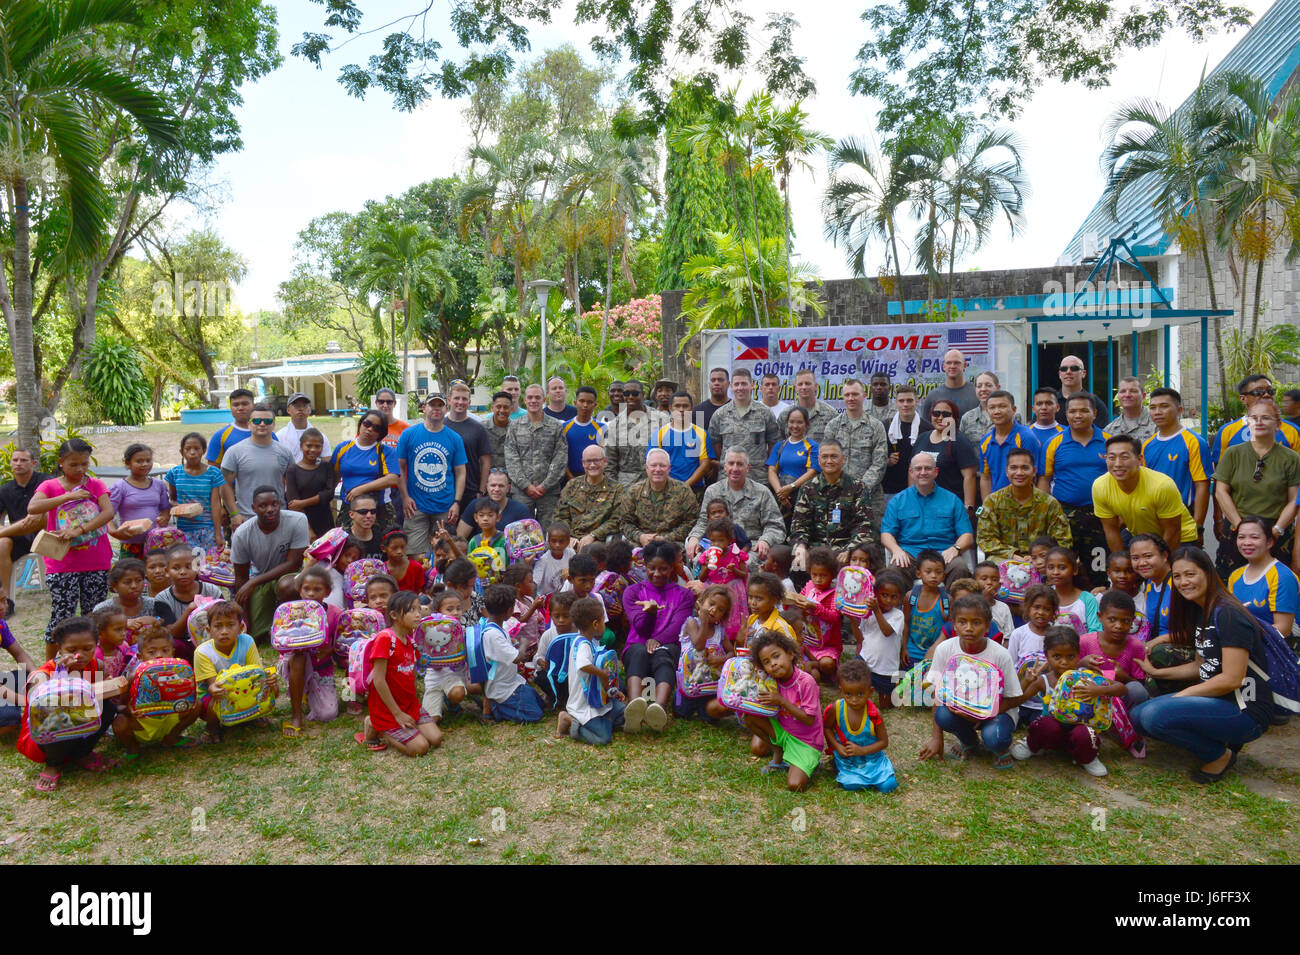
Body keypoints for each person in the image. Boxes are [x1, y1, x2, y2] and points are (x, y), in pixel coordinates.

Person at [1132, 546, 1275, 782]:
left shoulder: (1228, 614)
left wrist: (1183, 695)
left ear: (1207, 574)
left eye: (1190, 574)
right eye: (1177, 576)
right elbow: (1201, 665)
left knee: (1153, 716)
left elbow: (1232, 678)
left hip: (1246, 710)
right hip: (1217, 701)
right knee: (1138, 716)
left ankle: (1220, 754)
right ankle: (1218, 737)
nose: (1183, 582)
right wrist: (1157, 672)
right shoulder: (1202, 611)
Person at [918, 594, 1028, 769]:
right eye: (962, 622)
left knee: (994, 736)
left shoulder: (1000, 654)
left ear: (987, 626)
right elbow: (937, 693)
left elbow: (1014, 697)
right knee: (943, 715)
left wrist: (985, 714)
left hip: (998, 711)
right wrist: (936, 737)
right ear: (954, 624)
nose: (969, 628)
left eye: (976, 622)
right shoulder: (945, 649)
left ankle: (999, 748)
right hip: (961, 709)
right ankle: (969, 741)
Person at [30, 439, 115, 655]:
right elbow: (33, 507)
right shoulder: (49, 486)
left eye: (84, 464)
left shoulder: (95, 485)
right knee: (61, 616)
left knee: (95, 615)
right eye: (73, 464)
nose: (80, 469)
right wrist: (68, 496)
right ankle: (49, 668)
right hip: (61, 562)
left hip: (96, 560)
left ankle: (94, 664)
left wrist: (80, 530)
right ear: (61, 462)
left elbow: (108, 513)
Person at [17, 616, 119, 791]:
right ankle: (53, 764)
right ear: (59, 648)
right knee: (59, 716)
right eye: (71, 649)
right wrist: (62, 677)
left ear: (97, 645)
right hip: (44, 732)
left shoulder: (96, 665)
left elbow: (100, 695)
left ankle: (81, 754)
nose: (80, 655)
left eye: (88, 648)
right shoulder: (45, 673)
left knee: (108, 707)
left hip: (79, 723)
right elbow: (40, 705)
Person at [1011, 626, 1120, 776]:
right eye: (1057, 657)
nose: (1064, 662)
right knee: (1045, 724)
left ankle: (1087, 758)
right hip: (1053, 731)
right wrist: (1027, 681)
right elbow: (1019, 700)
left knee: (1087, 733)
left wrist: (1100, 690)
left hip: (1079, 730)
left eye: (1070, 656)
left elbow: (1121, 688)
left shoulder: (1086, 676)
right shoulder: (1044, 681)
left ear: (1078, 655)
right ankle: (1032, 745)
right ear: (1047, 656)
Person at [1212, 397, 1300, 576]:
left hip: (1275, 532)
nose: (1259, 422)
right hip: (1238, 529)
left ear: (1278, 424)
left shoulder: (1291, 458)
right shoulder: (1233, 453)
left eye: (1266, 418)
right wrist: (1241, 528)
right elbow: (1221, 491)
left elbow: (1294, 500)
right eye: (1253, 418)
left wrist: (1276, 530)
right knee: (1230, 585)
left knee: (1274, 584)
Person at [1040, 394, 1111, 587]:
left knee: (1099, 570)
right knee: (1063, 568)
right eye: (1072, 411)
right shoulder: (1054, 443)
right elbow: (1044, 479)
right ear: (1066, 414)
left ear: (1094, 413)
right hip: (1065, 516)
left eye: (1084, 410)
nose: (1077, 415)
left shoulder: (1108, 442)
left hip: (1100, 517)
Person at [622, 540, 694, 731]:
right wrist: (651, 614)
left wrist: (659, 640)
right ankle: (634, 707)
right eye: (651, 568)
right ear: (644, 566)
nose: (657, 574)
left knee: (666, 654)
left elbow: (679, 625)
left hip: (667, 644)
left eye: (663, 569)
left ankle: (658, 710)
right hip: (637, 644)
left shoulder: (684, 595)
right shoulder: (633, 592)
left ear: (672, 568)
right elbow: (641, 629)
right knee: (638, 652)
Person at [360, 590, 442, 755]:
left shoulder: (410, 640)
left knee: (436, 739)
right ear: (394, 615)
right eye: (412, 610)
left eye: (419, 609)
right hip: (388, 710)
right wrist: (397, 714)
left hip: (409, 705)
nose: (418, 615)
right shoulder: (385, 639)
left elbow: (409, 675)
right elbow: (379, 680)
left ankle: (406, 728)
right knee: (420, 748)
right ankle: (378, 728)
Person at [744, 628, 824, 791]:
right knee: (749, 717)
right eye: (766, 662)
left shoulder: (806, 682)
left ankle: (811, 761)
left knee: (795, 785)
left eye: (776, 656)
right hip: (783, 731)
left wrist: (781, 701)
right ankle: (779, 753)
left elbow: (809, 719)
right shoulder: (771, 681)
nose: (773, 663)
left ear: (790, 654)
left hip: (806, 741)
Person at [1094, 434, 1197, 554]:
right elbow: (1110, 529)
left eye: (1124, 457)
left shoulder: (1162, 486)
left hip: (1181, 537)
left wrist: (1160, 564)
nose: (1117, 464)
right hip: (1141, 536)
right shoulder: (1100, 486)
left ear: (1139, 459)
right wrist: (1121, 563)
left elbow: (1173, 532)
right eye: (1111, 458)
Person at [230, 486, 309, 642]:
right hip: (262, 578)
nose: (270, 509)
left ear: (280, 504)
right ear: (253, 508)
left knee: (288, 586)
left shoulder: (298, 520)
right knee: (257, 635)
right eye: (263, 506)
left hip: (290, 575)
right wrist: (246, 625)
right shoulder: (242, 534)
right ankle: (269, 624)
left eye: (274, 504)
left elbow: (294, 563)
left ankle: (291, 630)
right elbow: (241, 578)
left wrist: (253, 582)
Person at [396, 392, 468, 558]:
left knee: (444, 555)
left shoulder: (454, 438)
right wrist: (405, 497)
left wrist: (457, 502)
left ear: (446, 408)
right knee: (417, 557)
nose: (436, 409)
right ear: (424, 408)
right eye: (432, 405)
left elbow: (460, 472)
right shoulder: (408, 434)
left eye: (440, 405)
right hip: (416, 506)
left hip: (445, 505)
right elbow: (399, 467)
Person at [113, 624, 202, 756]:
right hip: (143, 723)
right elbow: (119, 706)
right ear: (140, 656)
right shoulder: (133, 677)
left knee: (197, 704)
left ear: (173, 652)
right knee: (120, 723)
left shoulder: (180, 672)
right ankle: (133, 747)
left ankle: (172, 737)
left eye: (165, 650)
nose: (159, 656)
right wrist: (130, 711)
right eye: (151, 652)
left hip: (169, 719)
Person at [880, 453, 974, 575]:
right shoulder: (898, 501)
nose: (923, 472)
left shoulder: (952, 500)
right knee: (894, 571)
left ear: (936, 472)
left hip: (944, 554)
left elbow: (967, 535)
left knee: (959, 568)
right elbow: (886, 534)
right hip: (910, 555)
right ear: (911, 472)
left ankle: (951, 595)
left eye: (928, 468)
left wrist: (955, 549)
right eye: (918, 468)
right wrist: (896, 550)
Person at [789, 439, 875, 568]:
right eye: (825, 457)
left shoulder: (858, 487)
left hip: (845, 549)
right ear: (818, 460)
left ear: (843, 459)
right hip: (815, 549)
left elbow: (864, 526)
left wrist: (850, 550)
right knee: (796, 563)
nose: (829, 461)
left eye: (834, 456)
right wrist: (801, 546)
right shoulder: (808, 488)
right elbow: (799, 526)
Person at [685, 450, 785, 562]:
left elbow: (776, 526)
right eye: (731, 463)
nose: (735, 468)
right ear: (725, 467)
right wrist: (694, 538)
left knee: (744, 564)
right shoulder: (712, 491)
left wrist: (766, 540)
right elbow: (703, 522)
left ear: (747, 468)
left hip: (750, 546)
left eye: (740, 464)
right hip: (717, 544)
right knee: (699, 560)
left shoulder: (762, 492)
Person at [192, 600, 269, 743]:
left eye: (230, 625)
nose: (224, 631)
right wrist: (215, 689)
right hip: (214, 692)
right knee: (217, 697)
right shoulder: (202, 652)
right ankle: (212, 727)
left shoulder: (247, 641)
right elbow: (214, 685)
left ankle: (251, 715)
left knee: (270, 684)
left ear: (240, 628)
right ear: (209, 630)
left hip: (243, 686)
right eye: (218, 626)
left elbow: (256, 673)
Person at [976, 447, 1072, 561]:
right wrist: (1014, 556)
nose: (1019, 473)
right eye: (1014, 468)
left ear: (1034, 471)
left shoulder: (1049, 503)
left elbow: (1063, 540)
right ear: (1007, 471)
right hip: (1005, 559)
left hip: (1041, 561)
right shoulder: (992, 501)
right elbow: (986, 539)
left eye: (1025, 468)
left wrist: (1039, 557)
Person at [557, 596, 627, 744]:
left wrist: (613, 691)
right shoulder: (583, 645)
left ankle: (605, 722)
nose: (605, 625)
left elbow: (598, 679)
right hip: (584, 705)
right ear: (595, 624)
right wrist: (602, 673)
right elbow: (583, 665)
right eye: (603, 621)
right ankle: (569, 720)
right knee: (603, 738)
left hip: (597, 699)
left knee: (623, 712)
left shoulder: (589, 642)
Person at [1143, 387, 1211, 539]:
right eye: (1153, 408)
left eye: (1164, 406)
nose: (1157, 412)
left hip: (1183, 518)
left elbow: (1202, 485)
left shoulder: (1194, 442)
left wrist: (1198, 526)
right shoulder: (1147, 445)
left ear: (1179, 410)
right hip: (1153, 518)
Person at [824, 658, 898, 792]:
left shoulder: (874, 714)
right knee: (851, 785)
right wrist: (837, 747)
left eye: (860, 694)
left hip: (872, 759)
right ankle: (839, 766)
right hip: (849, 760)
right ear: (842, 690)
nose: (854, 700)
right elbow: (827, 728)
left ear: (870, 691)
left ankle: (874, 776)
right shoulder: (837, 708)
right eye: (848, 694)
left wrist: (862, 750)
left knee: (889, 785)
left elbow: (884, 742)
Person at [822, 378, 888, 527]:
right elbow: (827, 461)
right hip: (838, 494)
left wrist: (859, 489)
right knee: (837, 538)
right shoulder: (833, 426)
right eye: (847, 395)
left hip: (870, 497)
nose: (851, 398)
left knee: (871, 544)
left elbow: (880, 463)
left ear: (864, 396)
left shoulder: (876, 426)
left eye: (855, 394)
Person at [221, 405, 295, 531]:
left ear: (273, 425)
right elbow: (224, 484)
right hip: (246, 519)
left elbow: (292, 483)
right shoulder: (234, 452)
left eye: (267, 421)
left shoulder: (285, 452)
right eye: (256, 421)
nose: (262, 424)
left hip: (278, 518)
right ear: (249, 424)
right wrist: (234, 514)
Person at [505, 383, 568, 527]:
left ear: (544, 399)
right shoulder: (514, 426)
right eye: (530, 397)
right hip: (521, 492)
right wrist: (526, 485)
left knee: (549, 533)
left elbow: (560, 459)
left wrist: (544, 486)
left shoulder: (555, 426)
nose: (533, 401)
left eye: (537, 397)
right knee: (521, 533)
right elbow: (511, 459)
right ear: (525, 400)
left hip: (549, 492)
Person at [481, 583, 545, 723]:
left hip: (512, 681)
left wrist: (514, 643)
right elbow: (517, 658)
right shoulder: (493, 634)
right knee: (535, 715)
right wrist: (523, 644)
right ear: (509, 610)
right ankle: (495, 706)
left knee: (541, 705)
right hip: (502, 688)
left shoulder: (495, 626)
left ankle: (497, 703)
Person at [707, 369, 779, 487]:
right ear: (731, 386)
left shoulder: (765, 413)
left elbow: (773, 444)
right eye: (736, 384)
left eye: (744, 384)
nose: (740, 388)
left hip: (758, 477)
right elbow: (715, 445)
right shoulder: (720, 414)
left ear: (752, 385)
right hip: (728, 477)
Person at [1211, 374, 1300, 468]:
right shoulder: (1227, 431)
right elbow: (1220, 471)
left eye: (1270, 391)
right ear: (1243, 399)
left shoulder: (1292, 430)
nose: (1266, 395)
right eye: (1259, 392)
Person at [331, 410, 399, 533]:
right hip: (350, 507)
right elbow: (333, 477)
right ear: (361, 424)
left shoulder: (386, 451)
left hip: (379, 508)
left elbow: (393, 478)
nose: (369, 429)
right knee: (348, 547)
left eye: (376, 428)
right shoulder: (342, 448)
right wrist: (329, 499)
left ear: (381, 433)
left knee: (381, 547)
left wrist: (361, 489)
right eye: (367, 424)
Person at [1227, 516, 1298, 635]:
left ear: (1270, 542)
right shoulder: (1235, 576)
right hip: (1242, 645)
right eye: (1241, 537)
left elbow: (1283, 629)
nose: (1247, 543)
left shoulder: (1282, 576)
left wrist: (1242, 636)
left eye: (1254, 537)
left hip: (1275, 648)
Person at [553, 445, 629, 551]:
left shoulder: (617, 489)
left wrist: (593, 535)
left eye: (596, 460)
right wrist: (567, 536)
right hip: (571, 539)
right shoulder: (572, 485)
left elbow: (617, 520)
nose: (592, 465)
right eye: (588, 461)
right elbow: (560, 516)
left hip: (598, 541)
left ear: (605, 461)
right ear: (583, 463)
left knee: (592, 551)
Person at [0, 447, 51, 602]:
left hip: (47, 535)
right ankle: (7, 599)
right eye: (15, 460)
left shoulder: (45, 481)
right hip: (19, 539)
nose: (18, 463)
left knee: (38, 517)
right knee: (1, 543)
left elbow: (43, 516)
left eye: (23, 460)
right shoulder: (5, 489)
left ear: (33, 463)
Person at [913, 398, 978, 515]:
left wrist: (968, 509)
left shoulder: (959, 441)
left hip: (951, 508)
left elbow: (970, 476)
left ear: (954, 417)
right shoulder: (922, 438)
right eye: (936, 413)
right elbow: (912, 472)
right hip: (923, 505)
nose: (940, 418)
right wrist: (911, 500)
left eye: (946, 414)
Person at [107, 443, 171, 559]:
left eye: (148, 460)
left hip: (156, 542)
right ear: (128, 463)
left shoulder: (159, 485)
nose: (145, 464)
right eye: (139, 461)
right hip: (131, 544)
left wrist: (164, 518)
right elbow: (107, 514)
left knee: (156, 575)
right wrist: (113, 532)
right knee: (132, 575)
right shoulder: (120, 487)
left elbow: (165, 508)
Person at [622, 449, 699, 545]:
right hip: (641, 543)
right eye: (653, 465)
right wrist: (640, 537)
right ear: (646, 468)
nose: (658, 469)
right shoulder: (634, 491)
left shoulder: (683, 491)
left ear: (669, 468)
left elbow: (691, 521)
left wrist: (666, 538)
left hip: (672, 543)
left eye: (662, 465)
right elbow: (625, 522)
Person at [166, 433, 226, 551]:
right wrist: (178, 507)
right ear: (181, 452)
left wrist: (218, 534)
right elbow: (172, 500)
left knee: (209, 564)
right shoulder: (174, 473)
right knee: (190, 565)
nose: (192, 452)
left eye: (197, 448)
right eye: (188, 449)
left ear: (203, 451)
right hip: (185, 530)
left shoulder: (213, 473)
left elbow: (216, 504)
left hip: (209, 529)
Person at [604, 379, 669, 487]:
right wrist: (615, 489)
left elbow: (671, 453)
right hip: (626, 485)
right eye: (626, 394)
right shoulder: (614, 425)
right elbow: (610, 463)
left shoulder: (662, 420)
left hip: (658, 482)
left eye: (635, 393)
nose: (630, 397)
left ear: (643, 394)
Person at [856, 570, 905, 707]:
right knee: (853, 675)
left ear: (900, 598)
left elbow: (887, 631)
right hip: (865, 660)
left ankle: (892, 691)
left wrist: (876, 610)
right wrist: (851, 618)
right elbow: (859, 637)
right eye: (884, 595)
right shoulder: (868, 612)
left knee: (886, 705)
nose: (888, 600)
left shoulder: (898, 615)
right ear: (876, 594)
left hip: (886, 669)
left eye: (893, 596)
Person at [444, 380, 493, 517]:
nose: (460, 402)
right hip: (445, 490)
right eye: (456, 398)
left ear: (469, 403)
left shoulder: (478, 428)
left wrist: (482, 491)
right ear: (449, 400)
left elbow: (485, 462)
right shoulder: (440, 426)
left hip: (471, 491)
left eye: (464, 399)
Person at [979, 390, 1041, 497]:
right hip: (996, 504)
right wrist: (987, 507)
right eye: (992, 408)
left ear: (1014, 409)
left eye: (1002, 406)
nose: (997, 411)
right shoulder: (985, 441)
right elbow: (986, 477)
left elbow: (1033, 476)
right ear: (987, 411)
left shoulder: (1026, 437)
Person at [652, 391, 714, 491]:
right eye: (677, 406)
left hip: (694, 488)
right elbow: (654, 463)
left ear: (692, 408)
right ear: (670, 408)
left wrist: (685, 486)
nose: (681, 410)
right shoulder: (659, 434)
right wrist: (670, 485)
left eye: (685, 406)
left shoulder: (702, 434)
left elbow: (705, 464)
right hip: (665, 488)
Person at [766, 406, 819, 519]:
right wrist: (780, 493)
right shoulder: (780, 446)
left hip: (802, 497)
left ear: (806, 424)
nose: (795, 426)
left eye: (799, 422)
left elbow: (812, 472)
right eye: (792, 422)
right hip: (781, 496)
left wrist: (791, 487)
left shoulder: (813, 446)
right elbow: (771, 470)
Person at [881, 384, 931, 500]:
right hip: (889, 491)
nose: (905, 404)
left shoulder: (927, 429)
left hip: (920, 491)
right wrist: (887, 461)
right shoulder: (885, 427)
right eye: (901, 401)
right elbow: (874, 457)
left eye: (909, 400)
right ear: (896, 403)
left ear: (916, 401)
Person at [285, 427, 337, 538]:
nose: (313, 449)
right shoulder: (292, 470)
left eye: (317, 446)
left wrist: (303, 502)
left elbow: (329, 494)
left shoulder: (327, 467)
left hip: (324, 520)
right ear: (301, 446)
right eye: (309, 445)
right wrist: (308, 529)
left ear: (322, 448)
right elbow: (293, 503)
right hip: (301, 521)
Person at [457, 469, 531, 540]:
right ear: (487, 486)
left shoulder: (521, 510)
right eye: (493, 485)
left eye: (501, 486)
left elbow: (529, 541)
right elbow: (460, 537)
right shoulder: (475, 505)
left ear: (508, 488)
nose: (496, 489)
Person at [1045, 545, 1101, 633]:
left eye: (1062, 568)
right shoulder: (1045, 598)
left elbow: (1095, 633)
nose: (1055, 572)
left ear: (1075, 570)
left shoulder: (1088, 599)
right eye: (1051, 568)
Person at [1131, 533, 1174, 643]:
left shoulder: (1179, 583)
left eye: (1148, 556)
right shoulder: (1149, 583)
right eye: (1135, 558)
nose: (1142, 563)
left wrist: (1154, 643)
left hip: (1173, 649)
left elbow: (1191, 632)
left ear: (1164, 556)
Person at [778, 368, 838, 443]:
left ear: (816, 386)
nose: (804, 387)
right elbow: (780, 446)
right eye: (800, 384)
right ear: (795, 388)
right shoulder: (785, 415)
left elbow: (836, 445)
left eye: (807, 383)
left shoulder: (831, 414)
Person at [205, 388, 258, 468]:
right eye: (236, 405)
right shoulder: (220, 436)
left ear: (254, 406)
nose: (240, 408)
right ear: (230, 408)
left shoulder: (267, 433)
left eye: (245, 404)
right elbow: (214, 469)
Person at [561, 385, 606, 479]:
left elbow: (605, 458)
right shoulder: (564, 427)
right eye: (582, 401)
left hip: (595, 478)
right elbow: (560, 457)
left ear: (595, 405)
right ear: (575, 403)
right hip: (570, 478)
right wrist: (571, 480)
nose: (585, 405)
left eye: (589, 402)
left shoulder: (602, 428)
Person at [920, 349, 979, 419]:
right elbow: (926, 428)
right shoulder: (932, 396)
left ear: (965, 365)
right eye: (949, 363)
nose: (952, 366)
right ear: (944, 366)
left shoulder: (977, 393)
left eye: (957, 363)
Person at [276, 392, 332, 464]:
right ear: (288, 410)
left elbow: (326, 461)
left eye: (305, 406)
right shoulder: (280, 436)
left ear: (310, 410)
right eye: (296, 406)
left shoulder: (321, 437)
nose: (301, 409)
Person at [1053, 354, 1108, 424]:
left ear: (1083, 373)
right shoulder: (1050, 402)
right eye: (1064, 369)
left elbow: (1101, 433)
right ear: (1059, 374)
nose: (1068, 372)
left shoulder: (1095, 403)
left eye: (1074, 368)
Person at [1106, 376, 1156, 444]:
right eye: (1123, 391)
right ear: (1118, 396)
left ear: (1143, 396)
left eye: (1133, 391)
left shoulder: (1158, 424)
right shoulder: (1109, 430)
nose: (1127, 395)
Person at [960, 371, 1001, 446]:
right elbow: (961, 447)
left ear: (998, 388)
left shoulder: (1008, 416)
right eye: (979, 386)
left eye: (988, 385)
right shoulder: (967, 418)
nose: (983, 389)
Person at [533, 524, 574, 596]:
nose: (557, 545)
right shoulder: (543, 561)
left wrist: (570, 572)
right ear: (548, 541)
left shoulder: (571, 553)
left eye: (561, 541)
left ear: (568, 542)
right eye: (554, 541)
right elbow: (534, 583)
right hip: (546, 599)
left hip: (566, 596)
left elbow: (577, 572)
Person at [483, 391, 514, 471]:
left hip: (511, 480)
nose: (502, 410)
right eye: (498, 407)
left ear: (511, 409)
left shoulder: (517, 429)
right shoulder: (481, 429)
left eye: (506, 407)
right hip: (487, 478)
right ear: (492, 408)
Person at [372, 388, 409, 455]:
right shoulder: (367, 427)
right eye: (381, 402)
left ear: (394, 404)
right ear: (376, 403)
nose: (385, 405)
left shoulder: (406, 429)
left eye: (389, 402)